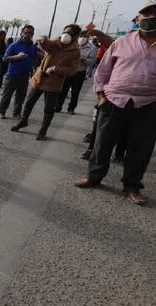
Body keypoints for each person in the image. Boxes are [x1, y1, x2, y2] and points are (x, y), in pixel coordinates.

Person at [75, 1, 156, 206]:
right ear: (137, 18)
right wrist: (102, 96)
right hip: (114, 100)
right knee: (103, 142)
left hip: (148, 103)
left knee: (141, 147)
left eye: (155, 13)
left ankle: (132, 185)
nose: (150, 17)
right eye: (146, 13)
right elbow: (103, 70)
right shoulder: (122, 42)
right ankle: (94, 176)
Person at [11, 24, 81, 140]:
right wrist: (43, 40)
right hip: (40, 79)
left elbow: (72, 70)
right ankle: (23, 121)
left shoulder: (75, 51)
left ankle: (43, 131)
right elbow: (48, 46)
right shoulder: (56, 42)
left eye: (70, 34)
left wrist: (56, 69)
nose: (66, 35)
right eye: (65, 32)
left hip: (54, 83)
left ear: (75, 36)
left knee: (49, 109)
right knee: (28, 103)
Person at [0, 25, 37, 120]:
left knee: (21, 96)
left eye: (30, 33)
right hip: (12, 75)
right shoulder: (14, 45)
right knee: (7, 95)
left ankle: (16, 113)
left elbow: (34, 60)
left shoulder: (33, 46)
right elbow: (5, 58)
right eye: (26, 32)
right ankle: (2, 111)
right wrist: (17, 57)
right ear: (21, 33)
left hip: (25, 75)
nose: (28, 35)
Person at [55, 33, 97, 114]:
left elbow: (92, 62)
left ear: (88, 38)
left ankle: (71, 108)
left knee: (75, 91)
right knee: (63, 90)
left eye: (84, 36)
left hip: (80, 72)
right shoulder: (72, 45)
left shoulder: (92, 48)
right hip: (68, 71)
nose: (82, 38)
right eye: (80, 36)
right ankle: (58, 106)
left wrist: (84, 60)